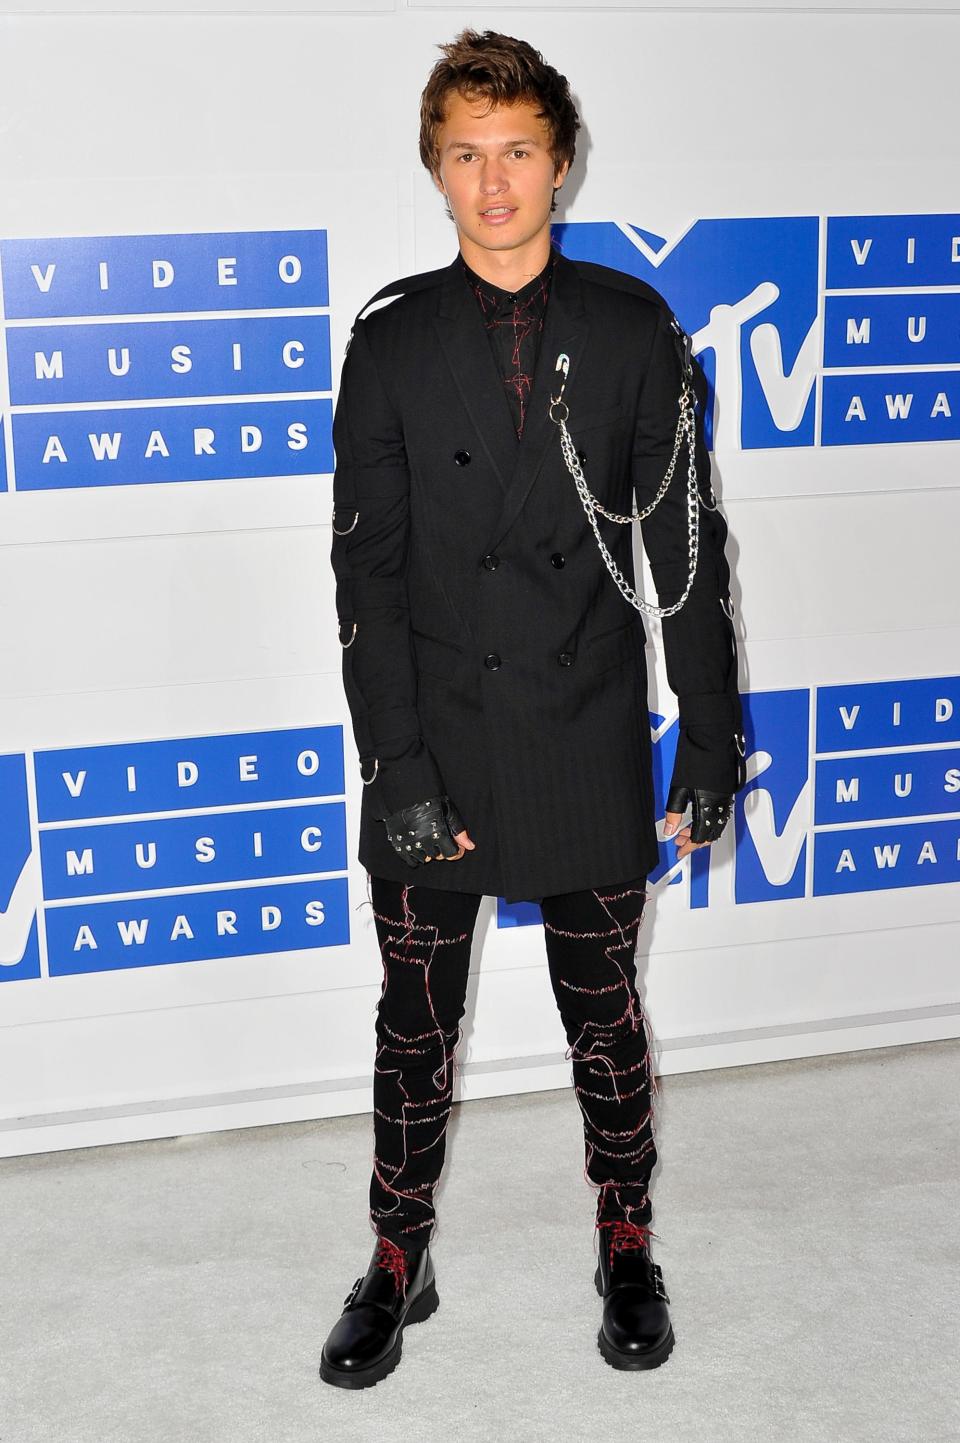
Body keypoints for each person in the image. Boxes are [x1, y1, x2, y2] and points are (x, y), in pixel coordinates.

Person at [319, 28, 746, 1388]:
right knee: (414, 1026)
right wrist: (395, 760)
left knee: (605, 1018)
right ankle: (399, 1256)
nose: (492, 183)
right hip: (435, 730)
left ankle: (627, 1243)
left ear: (560, 166)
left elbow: (684, 549)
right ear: (435, 173)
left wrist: (713, 735)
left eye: (517, 153)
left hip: (580, 728)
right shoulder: (388, 342)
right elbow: (366, 570)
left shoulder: (636, 333)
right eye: (465, 155)